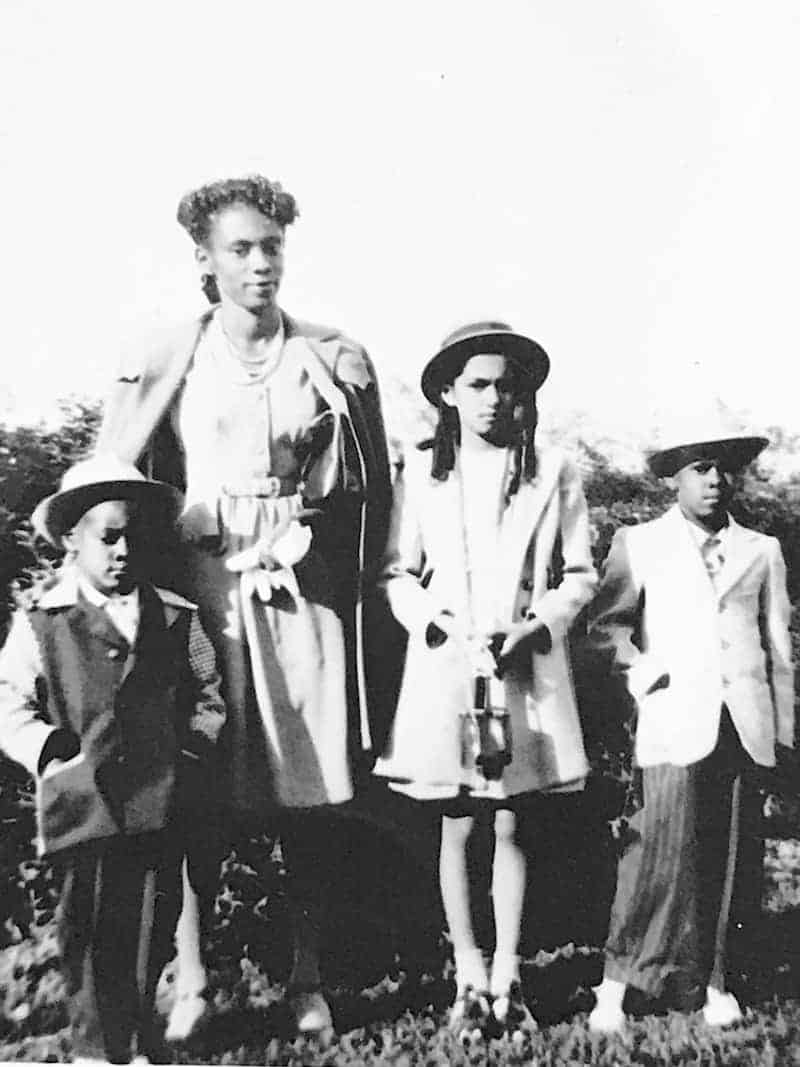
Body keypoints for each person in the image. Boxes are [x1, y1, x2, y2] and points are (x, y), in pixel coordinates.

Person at [97, 174, 393, 1037]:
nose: (261, 264)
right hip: (203, 584)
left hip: (299, 586)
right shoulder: (170, 356)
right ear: (205, 259)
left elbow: (365, 488)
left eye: (272, 247)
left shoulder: (324, 354)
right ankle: (192, 974)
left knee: (307, 783)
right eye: (241, 248)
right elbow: (117, 478)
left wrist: (321, 539)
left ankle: (307, 976)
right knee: (201, 779)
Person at [373, 321, 597, 1028]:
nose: (493, 399)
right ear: (447, 391)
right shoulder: (421, 471)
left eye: (506, 385)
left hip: (522, 668)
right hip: (447, 666)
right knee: (456, 822)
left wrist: (534, 627)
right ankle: (467, 975)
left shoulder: (551, 472)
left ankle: (509, 978)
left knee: (511, 820)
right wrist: (433, 622)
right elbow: (395, 572)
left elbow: (580, 573)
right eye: (477, 385)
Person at [0, 456, 225, 1064]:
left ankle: (137, 1038)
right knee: (92, 924)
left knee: (154, 918)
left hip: (159, 797)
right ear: (73, 539)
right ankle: (97, 1048)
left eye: (132, 536)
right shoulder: (43, 621)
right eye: (107, 537)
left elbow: (208, 693)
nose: (122, 550)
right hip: (82, 803)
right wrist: (46, 750)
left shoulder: (175, 616)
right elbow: (7, 698)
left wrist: (193, 746)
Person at [587, 420, 795, 1033]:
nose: (714, 480)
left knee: (734, 854)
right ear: (673, 475)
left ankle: (717, 980)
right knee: (654, 850)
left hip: (744, 719)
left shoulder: (762, 550)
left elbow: (777, 649)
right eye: (700, 467)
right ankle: (617, 983)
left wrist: (782, 731)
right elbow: (606, 629)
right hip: (674, 715)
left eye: (725, 467)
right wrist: (647, 673)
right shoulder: (640, 542)